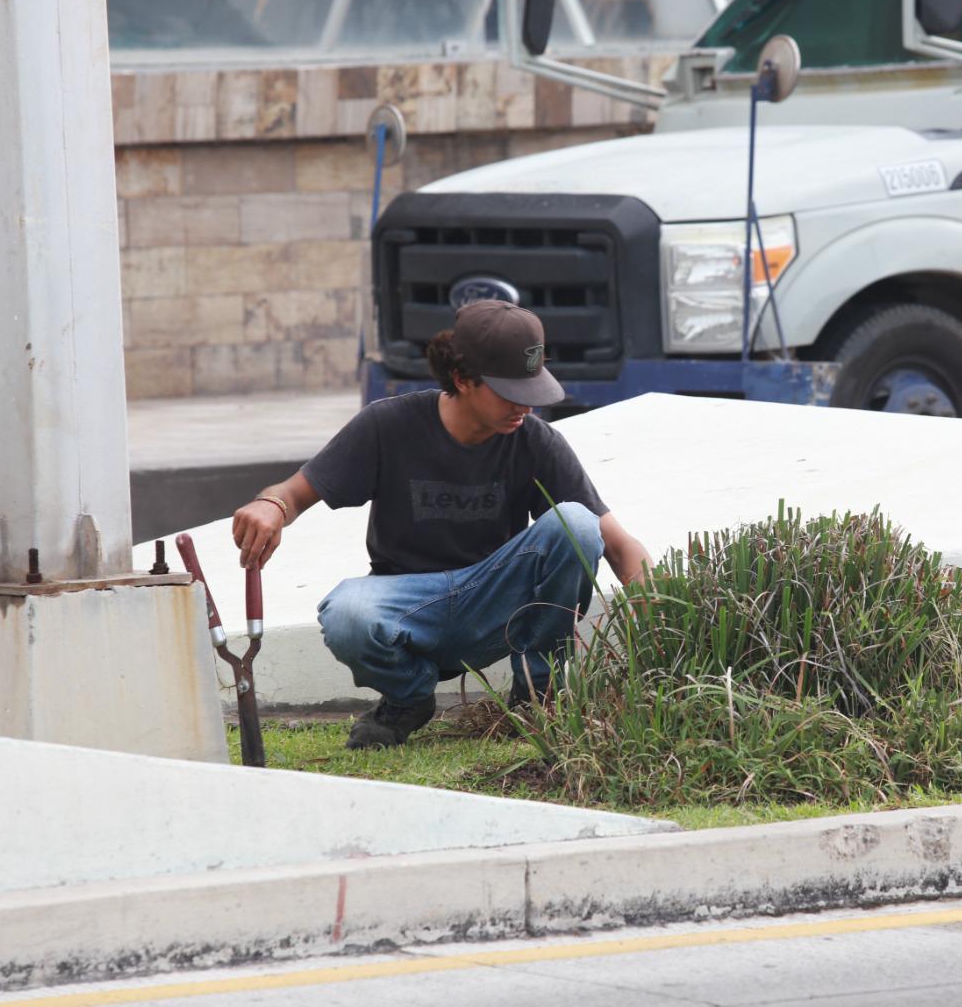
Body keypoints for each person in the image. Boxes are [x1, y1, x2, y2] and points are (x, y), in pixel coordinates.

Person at [229, 299, 653, 749]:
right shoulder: (387, 425)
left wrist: (663, 615)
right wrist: (269, 505)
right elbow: (294, 492)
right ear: (462, 379)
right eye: (510, 392)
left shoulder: (537, 442)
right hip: (412, 612)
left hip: (495, 605)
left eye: (532, 391)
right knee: (347, 613)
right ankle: (408, 698)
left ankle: (538, 695)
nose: (524, 408)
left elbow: (619, 546)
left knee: (577, 524)